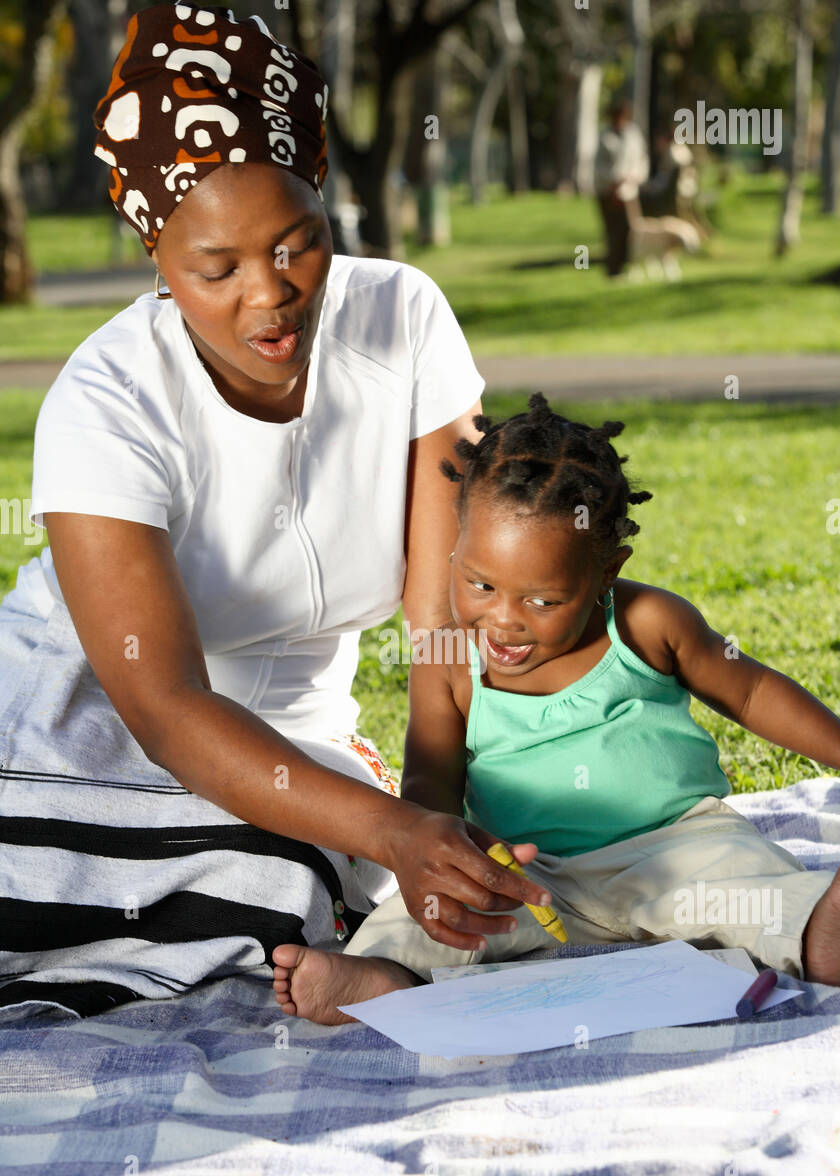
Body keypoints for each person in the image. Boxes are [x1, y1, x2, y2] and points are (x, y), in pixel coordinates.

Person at [0, 5, 550, 1018]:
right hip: (65, 729)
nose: (271, 296)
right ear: (156, 256)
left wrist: (424, 816)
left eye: (299, 244)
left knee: (292, 887)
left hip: (294, 749)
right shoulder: (104, 399)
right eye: (217, 270)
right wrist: (388, 836)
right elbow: (165, 710)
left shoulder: (406, 323)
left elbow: (439, 628)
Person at [272, 393, 840, 1024]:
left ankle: (820, 935)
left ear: (606, 571)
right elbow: (430, 781)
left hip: (677, 846)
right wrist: (453, 863)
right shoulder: (445, 657)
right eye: (480, 584)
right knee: (443, 919)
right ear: (455, 548)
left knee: (744, 888)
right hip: (532, 874)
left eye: (543, 601)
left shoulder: (647, 623)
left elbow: (749, 691)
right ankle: (379, 977)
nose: (503, 620)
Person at [594, 95, 649, 276]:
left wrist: (634, 177)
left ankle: (630, 267)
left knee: (631, 230)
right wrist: (614, 181)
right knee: (613, 232)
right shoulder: (604, 136)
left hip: (629, 191)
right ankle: (613, 269)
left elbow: (642, 161)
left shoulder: (633, 135)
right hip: (608, 192)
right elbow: (598, 166)